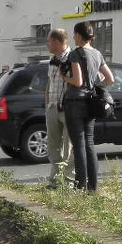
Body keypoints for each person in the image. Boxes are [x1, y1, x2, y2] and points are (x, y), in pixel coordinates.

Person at [61, 21, 114, 193]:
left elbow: (77, 81)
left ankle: (80, 186)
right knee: (89, 143)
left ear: (78, 35)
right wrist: (95, 87)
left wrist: (64, 77)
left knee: (78, 144)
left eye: (74, 34)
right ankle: (92, 187)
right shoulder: (97, 54)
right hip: (90, 103)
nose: (73, 37)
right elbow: (110, 79)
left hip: (75, 102)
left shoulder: (75, 54)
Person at [43, 28, 73, 188]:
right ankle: (55, 180)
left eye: (48, 41)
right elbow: (50, 82)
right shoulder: (52, 60)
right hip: (53, 106)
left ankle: (67, 181)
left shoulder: (73, 58)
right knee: (53, 146)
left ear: (56, 42)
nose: (47, 44)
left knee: (69, 146)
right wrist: (47, 101)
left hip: (68, 108)